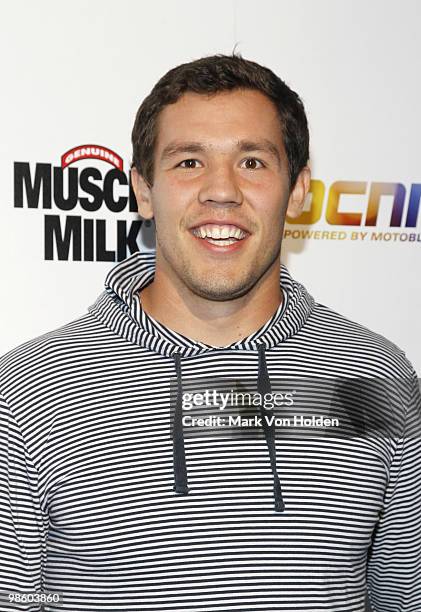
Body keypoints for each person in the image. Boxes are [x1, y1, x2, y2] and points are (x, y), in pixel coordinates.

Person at [0, 53, 420, 612]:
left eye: (252, 162)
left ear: (298, 191)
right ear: (143, 191)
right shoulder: (27, 391)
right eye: (189, 162)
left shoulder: (378, 377)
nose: (221, 191)